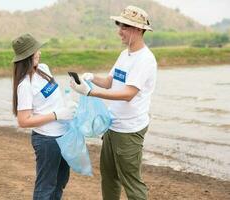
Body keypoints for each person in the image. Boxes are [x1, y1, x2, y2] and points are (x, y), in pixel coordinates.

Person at [70, 5, 157, 200]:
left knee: (132, 182)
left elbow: (128, 94)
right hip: (113, 125)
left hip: (129, 130)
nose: (119, 32)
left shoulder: (145, 60)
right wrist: (91, 78)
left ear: (137, 29)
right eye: (119, 25)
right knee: (109, 178)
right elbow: (110, 82)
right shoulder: (125, 55)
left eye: (124, 27)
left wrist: (91, 92)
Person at [11, 33, 76, 200]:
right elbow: (23, 121)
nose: (39, 53)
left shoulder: (44, 69)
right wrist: (56, 115)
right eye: (35, 51)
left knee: (61, 180)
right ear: (26, 56)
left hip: (64, 134)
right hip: (47, 140)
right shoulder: (25, 85)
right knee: (46, 186)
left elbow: (53, 98)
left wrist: (68, 104)